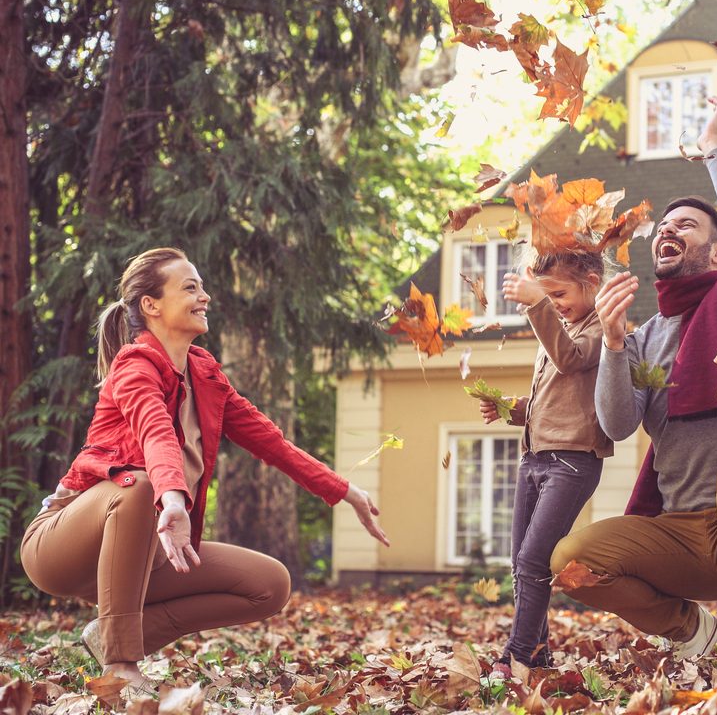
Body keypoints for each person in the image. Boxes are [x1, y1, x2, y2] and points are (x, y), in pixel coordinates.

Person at [21, 248, 387, 692]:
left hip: (142, 556)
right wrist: (173, 497)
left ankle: (112, 635)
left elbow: (271, 442)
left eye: (203, 287)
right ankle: (120, 664)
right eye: (190, 287)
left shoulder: (204, 372)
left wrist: (345, 491)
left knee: (269, 584)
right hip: (63, 545)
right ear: (150, 305)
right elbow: (154, 431)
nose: (205, 296)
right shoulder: (134, 365)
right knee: (139, 486)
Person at [549, 96, 717, 658]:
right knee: (569, 560)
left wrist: (714, 148)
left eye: (686, 226)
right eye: (664, 227)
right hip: (686, 537)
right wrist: (615, 344)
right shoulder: (642, 339)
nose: (669, 231)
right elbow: (618, 425)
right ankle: (690, 631)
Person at [478, 249, 612, 672]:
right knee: (520, 561)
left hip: (573, 462)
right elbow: (555, 398)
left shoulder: (599, 329)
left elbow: (570, 360)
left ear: (591, 281)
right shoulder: (562, 326)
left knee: (535, 559)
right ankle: (538, 655)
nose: (553, 303)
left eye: (559, 293)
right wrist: (514, 408)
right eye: (547, 296)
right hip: (534, 458)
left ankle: (516, 654)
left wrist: (536, 303)